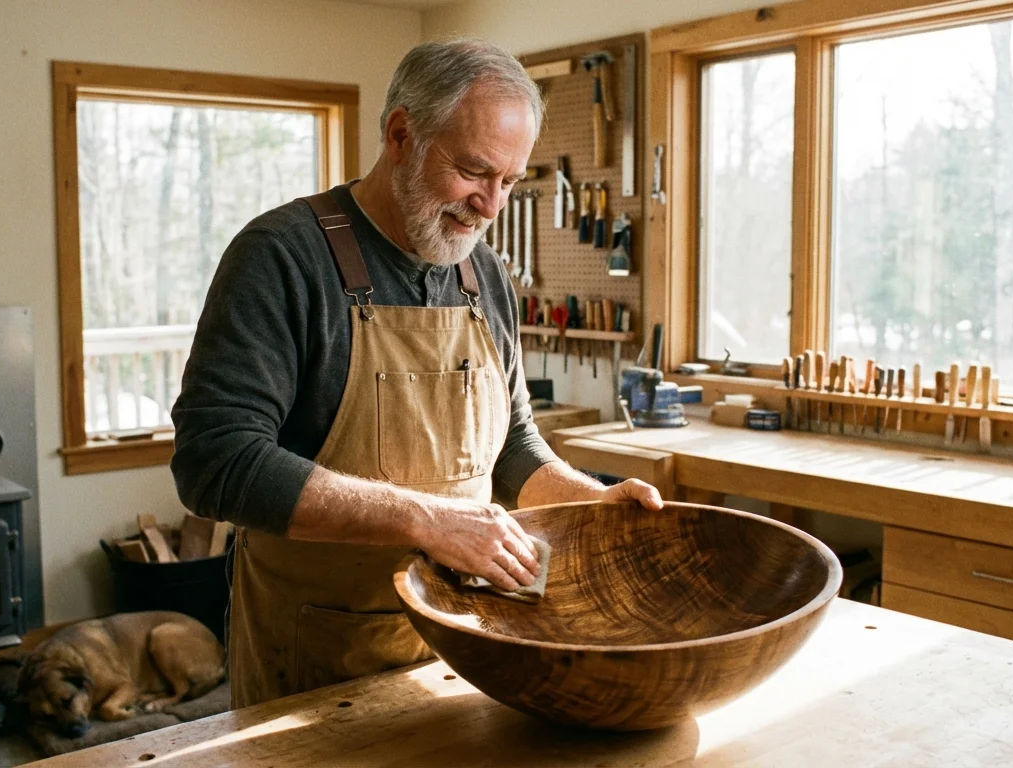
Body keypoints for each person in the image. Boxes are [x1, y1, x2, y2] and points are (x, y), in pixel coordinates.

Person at [170, 37, 664, 708]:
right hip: (318, 659)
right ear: (401, 133)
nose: (491, 205)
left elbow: (512, 444)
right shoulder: (282, 257)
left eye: (510, 181)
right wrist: (431, 521)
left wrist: (589, 501)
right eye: (473, 171)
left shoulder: (483, 272)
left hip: (461, 649)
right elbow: (214, 463)